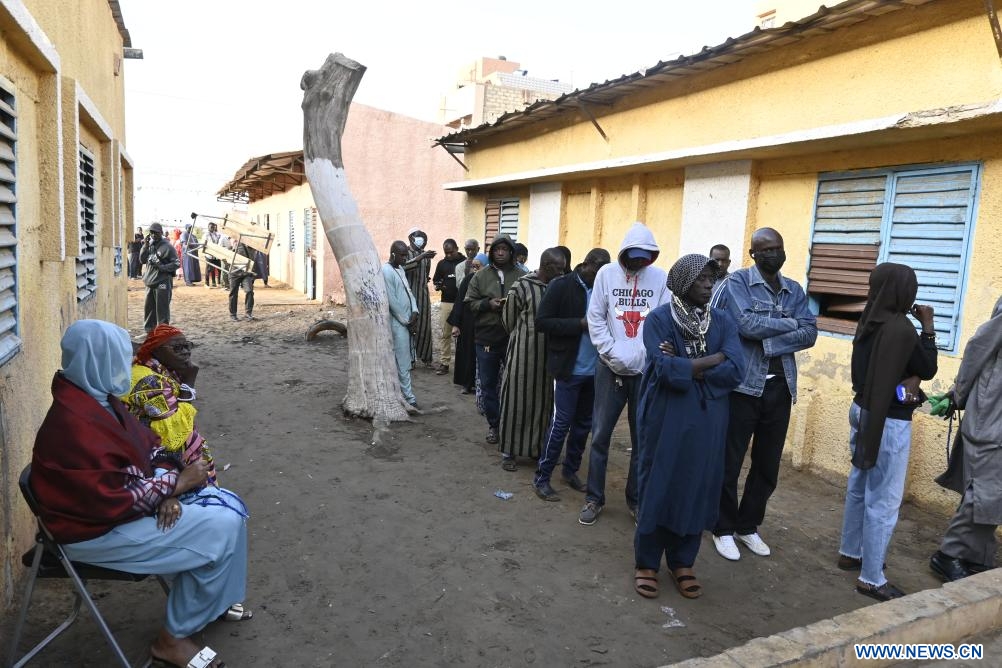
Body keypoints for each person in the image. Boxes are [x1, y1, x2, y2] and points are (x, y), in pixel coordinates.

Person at [30, 320, 248, 668]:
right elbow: (111, 498)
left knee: (227, 508)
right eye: (119, 359)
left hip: (126, 513)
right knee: (222, 526)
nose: (126, 367)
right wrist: (176, 484)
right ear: (97, 361)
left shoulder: (99, 401)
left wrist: (166, 488)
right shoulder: (73, 424)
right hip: (93, 533)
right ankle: (172, 640)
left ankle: (211, 602)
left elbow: (153, 447)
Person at [633, 255, 744, 600]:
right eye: (702, 280)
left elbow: (736, 369)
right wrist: (713, 359)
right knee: (660, 482)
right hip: (667, 415)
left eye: (712, 279)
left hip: (709, 416)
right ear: (683, 284)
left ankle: (683, 560)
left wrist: (689, 365)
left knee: (698, 484)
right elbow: (663, 369)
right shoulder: (659, 320)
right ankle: (647, 563)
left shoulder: (723, 320)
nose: (710, 285)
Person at [709, 228, 817, 561]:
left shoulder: (793, 289)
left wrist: (770, 338)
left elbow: (810, 331)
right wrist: (788, 322)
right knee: (730, 461)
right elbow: (745, 325)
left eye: (778, 248)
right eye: (766, 249)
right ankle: (722, 528)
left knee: (768, 464)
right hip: (742, 385)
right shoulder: (737, 283)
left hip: (780, 386)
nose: (774, 253)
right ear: (754, 253)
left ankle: (748, 526)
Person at [838, 263, 937, 600]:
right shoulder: (903, 329)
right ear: (902, 291)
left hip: (862, 409)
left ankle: (850, 553)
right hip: (887, 419)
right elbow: (927, 367)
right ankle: (871, 578)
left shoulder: (869, 320)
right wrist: (928, 327)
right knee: (884, 498)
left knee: (860, 484)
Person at [579, 222, 669, 526]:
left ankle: (636, 500)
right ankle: (594, 497)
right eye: (634, 256)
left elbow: (662, 320)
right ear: (623, 253)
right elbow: (596, 318)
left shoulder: (660, 278)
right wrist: (611, 353)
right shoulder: (606, 275)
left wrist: (642, 355)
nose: (639, 262)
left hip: (644, 370)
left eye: (646, 256)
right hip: (608, 368)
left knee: (641, 439)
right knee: (601, 434)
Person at [930, 296, 1002, 582]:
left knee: (993, 496)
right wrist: (957, 395)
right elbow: (977, 349)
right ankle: (947, 555)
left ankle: (976, 558)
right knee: (984, 492)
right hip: (992, 419)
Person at [532, 248, 610, 501]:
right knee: (561, 424)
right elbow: (542, 322)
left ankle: (570, 470)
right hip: (568, 368)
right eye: (598, 270)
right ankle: (542, 478)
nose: (601, 276)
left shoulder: (605, 289)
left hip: (595, 371)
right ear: (586, 264)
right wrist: (579, 324)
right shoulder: (561, 285)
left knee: (583, 425)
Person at [498, 248, 566, 470]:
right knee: (516, 400)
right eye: (559, 268)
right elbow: (508, 322)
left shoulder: (559, 287)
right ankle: (509, 451)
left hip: (548, 357)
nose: (562, 271)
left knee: (542, 403)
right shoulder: (522, 286)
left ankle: (537, 449)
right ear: (546, 266)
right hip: (522, 355)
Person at [465, 234, 526, 444]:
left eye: (505, 249)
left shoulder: (521, 276)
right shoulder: (480, 276)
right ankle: (495, 425)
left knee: (515, 384)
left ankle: (513, 426)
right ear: (491, 252)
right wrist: (487, 304)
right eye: (497, 249)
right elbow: (469, 303)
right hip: (487, 337)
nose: (500, 253)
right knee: (489, 384)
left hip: (514, 337)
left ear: (511, 252)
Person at [382, 241, 420, 407]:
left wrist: (414, 311)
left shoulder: (400, 269)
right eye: (402, 255)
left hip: (407, 321)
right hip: (398, 323)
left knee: (406, 359)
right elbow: (392, 301)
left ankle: (405, 396)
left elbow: (409, 292)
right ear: (393, 254)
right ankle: (408, 398)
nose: (405, 258)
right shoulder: (386, 271)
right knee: (402, 361)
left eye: (406, 255)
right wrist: (406, 321)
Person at [449, 253, 487, 394]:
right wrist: (455, 324)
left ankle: (480, 385)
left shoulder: (490, 281)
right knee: (466, 353)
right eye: (473, 266)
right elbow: (459, 302)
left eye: (479, 266)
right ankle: (466, 383)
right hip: (467, 323)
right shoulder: (468, 279)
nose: (475, 269)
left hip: (484, 323)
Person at [403, 228, 437, 367]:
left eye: (425, 239)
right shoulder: (404, 252)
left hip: (422, 294)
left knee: (425, 326)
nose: (423, 242)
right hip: (407, 295)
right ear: (411, 238)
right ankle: (409, 358)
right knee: (409, 325)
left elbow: (427, 274)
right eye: (420, 238)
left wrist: (424, 257)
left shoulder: (425, 256)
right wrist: (420, 257)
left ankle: (426, 358)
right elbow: (403, 267)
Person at [432, 239, 466, 375]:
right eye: (446, 253)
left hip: (462, 302)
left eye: (451, 252)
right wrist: (438, 285)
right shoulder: (442, 264)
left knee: (462, 334)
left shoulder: (464, 262)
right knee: (445, 333)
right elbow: (436, 281)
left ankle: (461, 365)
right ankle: (444, 363)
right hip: (446, 302)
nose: (449, 255)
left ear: (457, 248)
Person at [141, 222, 181, 333]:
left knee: (162, 310)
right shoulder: (150, 245)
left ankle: (163, 333)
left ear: (161, 233)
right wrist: (145, 245)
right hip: (150, 282)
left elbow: (177, 263)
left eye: (156, 233)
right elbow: (142, 260)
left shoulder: (168, 246)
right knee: (149, 309)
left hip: (162, 282)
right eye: (152, 232)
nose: (154, 235)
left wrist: (162, 267)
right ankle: (149, 333)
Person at [227, 242, 256, 322]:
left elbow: (253, 262)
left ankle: (248, 313)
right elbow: (227, 255)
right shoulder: (236, 243)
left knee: (249, 291)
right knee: (233, 293)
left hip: (246, 273)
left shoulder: (254, 248)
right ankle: (233, 314)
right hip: (234, 272)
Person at [204, 222, 222, 289]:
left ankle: (217, 283)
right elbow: (204, 243)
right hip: (209, 255)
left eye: (213, 227)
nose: (213, 228)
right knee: (209, 269)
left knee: (219, 269)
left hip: (216, 255)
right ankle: (207, 283)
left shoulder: (216, 234)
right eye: (211, 227)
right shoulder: (206, 234)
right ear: (208, 227)